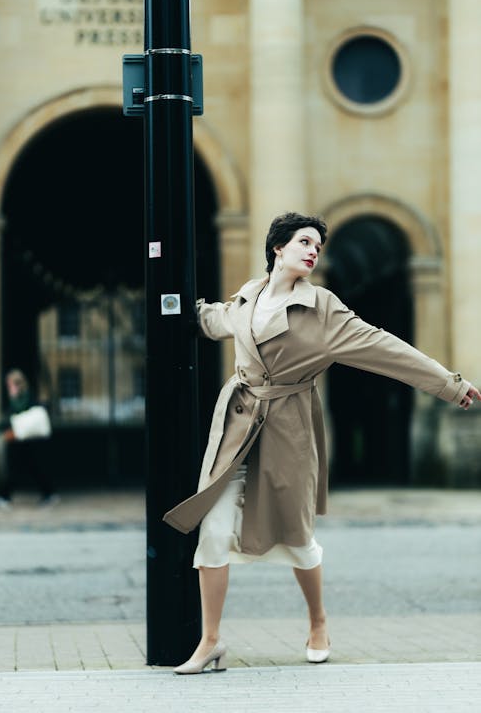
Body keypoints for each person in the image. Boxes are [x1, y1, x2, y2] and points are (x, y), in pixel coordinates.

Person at [163, 212, 481, 674]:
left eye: (318, 245)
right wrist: (182, 311)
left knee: (298, 539)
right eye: (304, 241)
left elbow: (385, 348)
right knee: (212, 531)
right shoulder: (250, 294)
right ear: (278, 248)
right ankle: (210, 641)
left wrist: (449, 384)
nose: (313, 251)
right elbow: (218, 320)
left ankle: (318, 623)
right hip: (236, 430)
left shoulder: (323, 309)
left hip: (287, 432)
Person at [0, 369, 59, 509]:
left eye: (10, 383)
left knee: (20, 468)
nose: (8, 386)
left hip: (27, 439)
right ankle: (47, 493)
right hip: (22, 439)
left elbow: (13, 416)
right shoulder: (20, 396)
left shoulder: (24, 396)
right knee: (30, 468)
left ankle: (5, 497)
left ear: (16, 384)